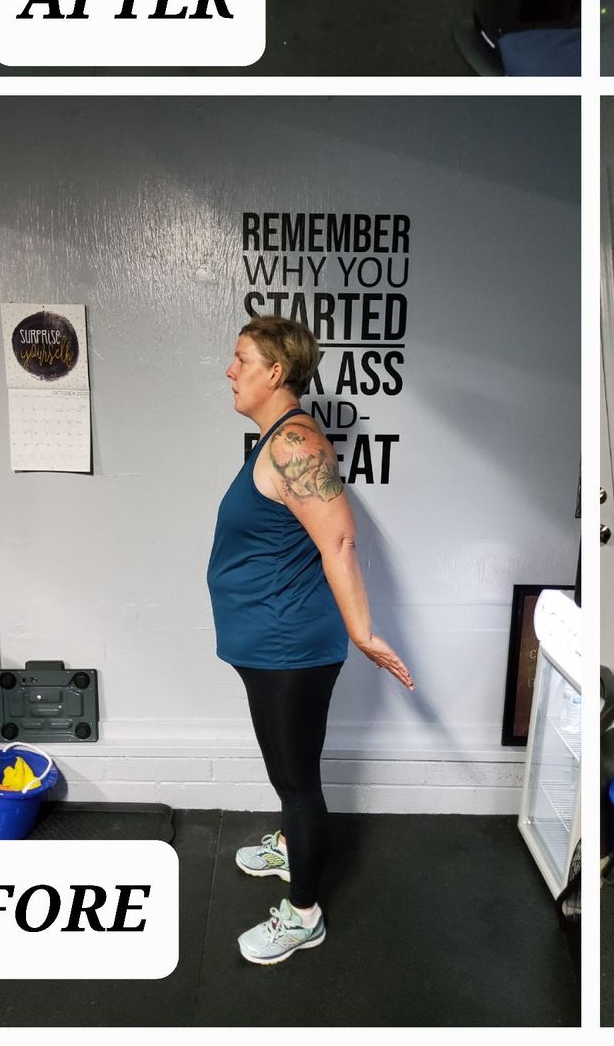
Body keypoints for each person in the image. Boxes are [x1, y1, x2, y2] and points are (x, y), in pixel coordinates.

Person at [207, 317, 414, 964]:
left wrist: (364, 632)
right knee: (285, 769)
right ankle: (291, 845)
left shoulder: (294, 443)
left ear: (276, 372)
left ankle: (305, 914)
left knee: (297, 780)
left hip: (288, 646)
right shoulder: (275, 440)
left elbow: (340, 540)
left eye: (241, 358)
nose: (230, 370)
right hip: (269, 643)